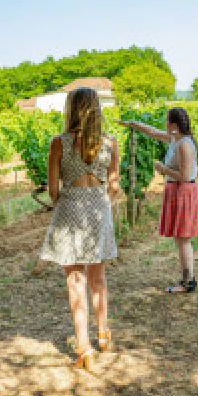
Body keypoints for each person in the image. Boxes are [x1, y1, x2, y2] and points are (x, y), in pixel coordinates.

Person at [39, 88, 120, 371]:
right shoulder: (110, 142)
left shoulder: (58, 143)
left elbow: (52, 190)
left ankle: (84, 347)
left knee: (75, 280)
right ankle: (104, 335)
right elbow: (114, 186)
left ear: (71, 110)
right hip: (98, 209)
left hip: (71, 210)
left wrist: (66, 200)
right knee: (98, 278)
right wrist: (101, 201)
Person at [120, 108, 198, 293]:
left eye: (167, 121)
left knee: (182, 239)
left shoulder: (184, 145)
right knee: (180, 239)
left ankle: (187, 282)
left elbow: (185, 176)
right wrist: (134, 124)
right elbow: (153, 132)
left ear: (174, 125)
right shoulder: (176, 139)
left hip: (183, 192)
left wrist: (162, 169)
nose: (164, 124)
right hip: (178, 192)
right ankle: (187, 280)